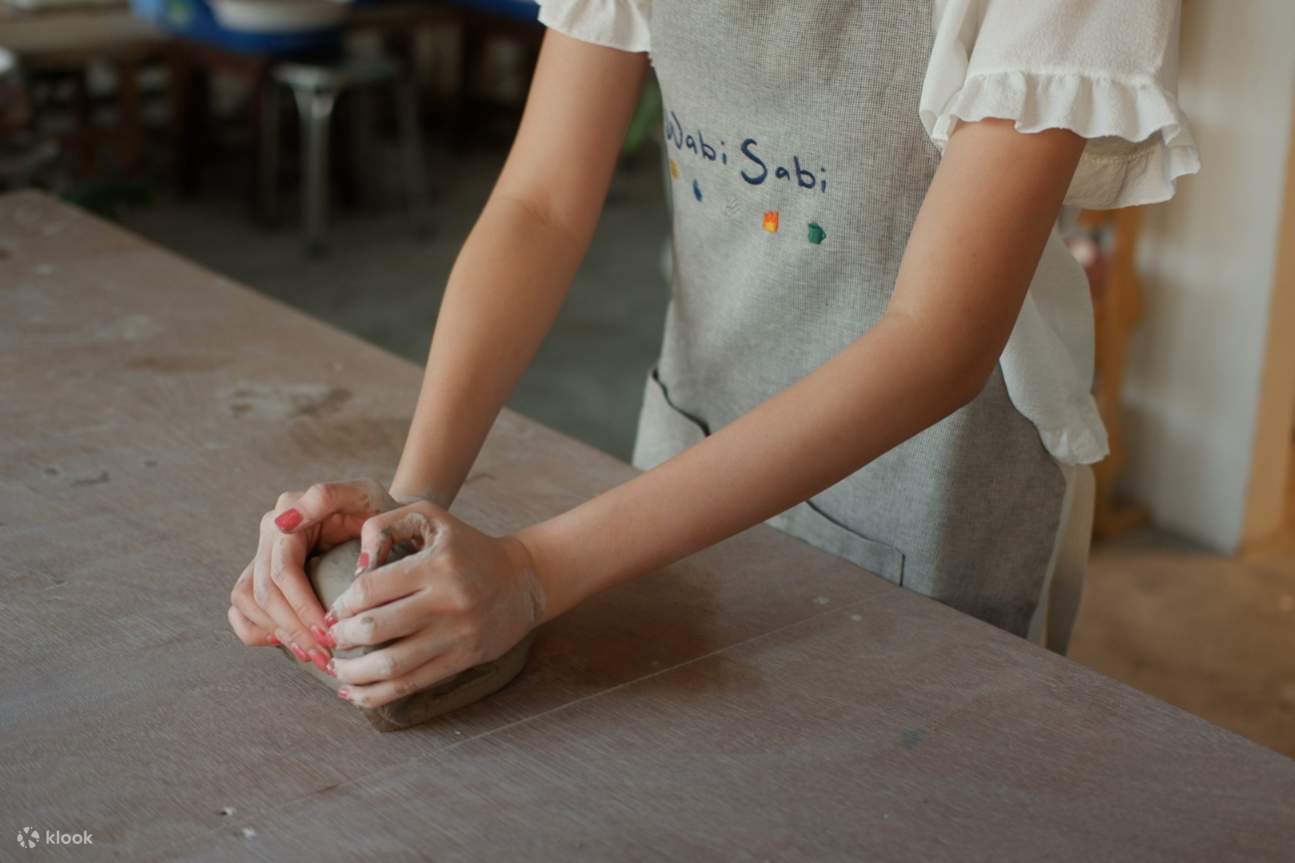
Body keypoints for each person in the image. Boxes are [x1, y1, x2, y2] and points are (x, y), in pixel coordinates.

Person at [227, 0, 1199, 708]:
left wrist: (529, 572)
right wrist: (407, 509)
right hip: (686, 444)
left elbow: (937, 339)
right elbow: (540, 204)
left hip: (930, 491)